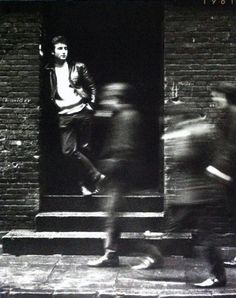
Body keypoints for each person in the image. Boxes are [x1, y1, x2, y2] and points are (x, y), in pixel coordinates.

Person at [87, 82, 149, 267]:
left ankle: (146, 252)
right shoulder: (123, 115)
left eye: (108, 98)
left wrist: (107, 167)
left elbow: (124, 149)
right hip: (120, 174)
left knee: (113, 215)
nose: (105, 102)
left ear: (117, 98)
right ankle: (112, 253)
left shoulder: (127, 117)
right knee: (113, 214)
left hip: (121, 175)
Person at [44, 36, 105, 195]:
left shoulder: (78, 67)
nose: (64, 52)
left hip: (81, 112)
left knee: (84, 149)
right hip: (64, 115)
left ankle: (85, 187)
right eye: (60, 49)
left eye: (65, 48)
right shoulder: (48, 70)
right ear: (53, 52)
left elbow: (91, 85)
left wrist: (91, 104)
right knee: (69, 151)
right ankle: (96, 176)